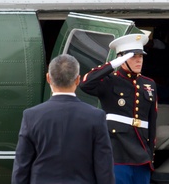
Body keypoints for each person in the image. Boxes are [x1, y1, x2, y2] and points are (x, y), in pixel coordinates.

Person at [12, 54, 115, 184]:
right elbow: (104, 168)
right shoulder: (96, 116)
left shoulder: (31, 116)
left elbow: (22, 167)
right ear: (77, 80)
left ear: (48, 78)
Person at [80, 33, 158, 184]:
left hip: (141, 155)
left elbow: (152, 123)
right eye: (133, 56)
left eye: (140, 57)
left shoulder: (149, 84)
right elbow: (85, 84)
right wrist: (112, 64)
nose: (138, 60)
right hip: (117, 154)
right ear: (121, 59)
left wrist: (150, 155)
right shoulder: (110, 81)